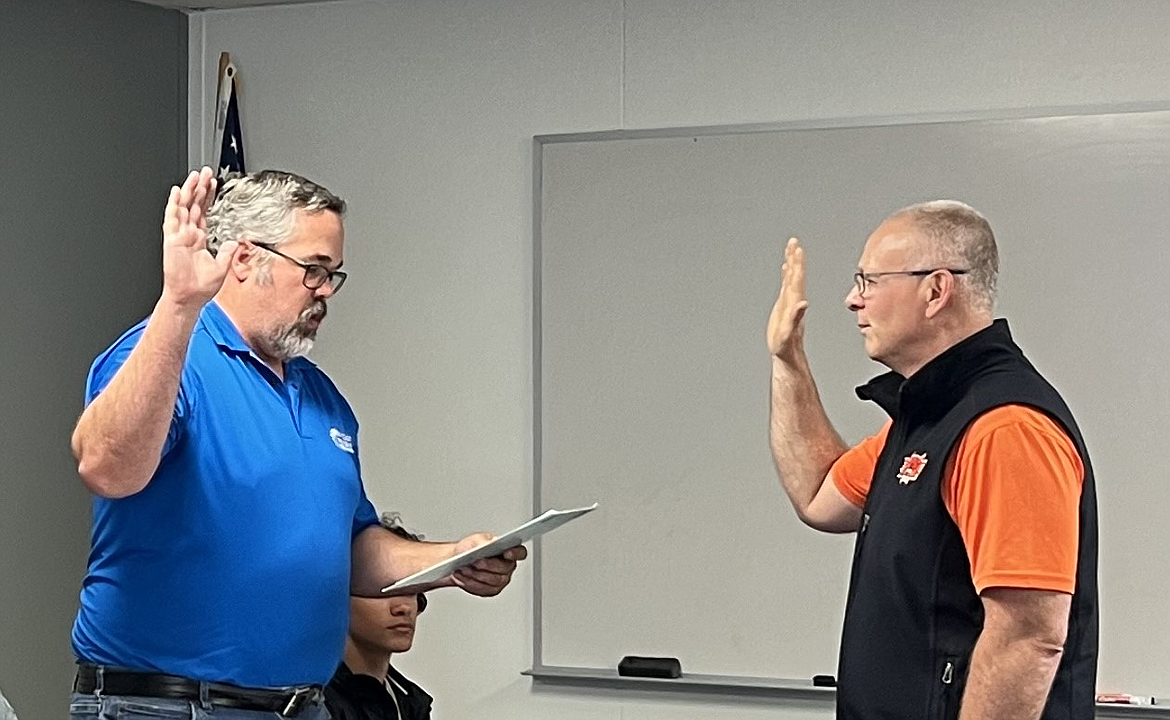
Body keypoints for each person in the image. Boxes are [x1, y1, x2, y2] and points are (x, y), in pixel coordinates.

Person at [68, 168, 525, 719]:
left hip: (300, 705)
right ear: (243, 259)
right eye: (313, 270)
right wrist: (179, 306)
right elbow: (107, 468)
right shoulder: (166, 352)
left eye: (334, 274)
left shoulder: (320, 395)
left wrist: (450, 561)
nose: (326, 291)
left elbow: (352, 545)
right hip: (171, 706)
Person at [766, 201, 1097, 720]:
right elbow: (818, 496)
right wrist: (788, 359)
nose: (853, 300)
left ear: (936, 290)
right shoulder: (926, 416)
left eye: (869, 280)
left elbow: (1028, 638)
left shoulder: (1003, 428)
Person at [325, 513, 434, 720]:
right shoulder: (311, 703)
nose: (403, 607)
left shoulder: (411, 701)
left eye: (412, 589)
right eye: (382, 590)